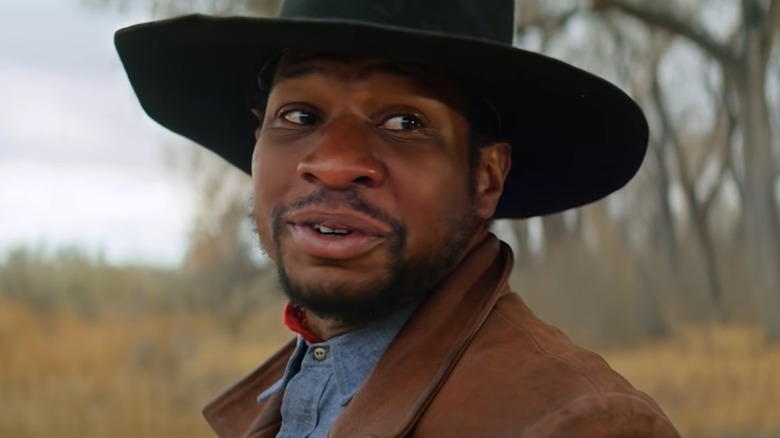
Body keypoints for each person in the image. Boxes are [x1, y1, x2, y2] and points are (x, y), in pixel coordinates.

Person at [115, 1, 681, 436]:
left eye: (404, 123)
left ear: (485, 178)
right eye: (300, 113)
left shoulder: (575, 424)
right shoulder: (296, 393)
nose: (334, 163)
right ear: (258, 138)